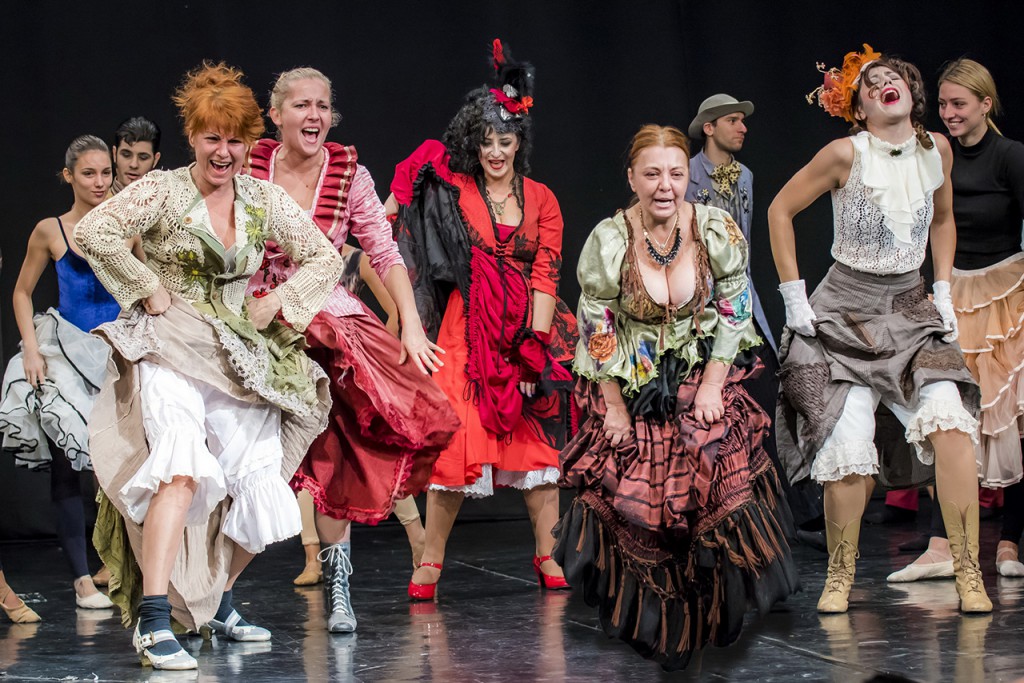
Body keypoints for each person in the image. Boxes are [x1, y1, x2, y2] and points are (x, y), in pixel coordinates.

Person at [75, 62, 343, 670]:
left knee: (258, 478)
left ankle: (217, 600)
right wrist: (145, 285)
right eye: (212, 138)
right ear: (193, 137)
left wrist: (279, 300)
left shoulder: (261, 198)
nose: (224, 152)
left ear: (250, 143)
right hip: (170, 345)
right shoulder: (165, 191)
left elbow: (324, 257)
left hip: (235, 352)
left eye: (235, 140)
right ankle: (152, 619)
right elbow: (96, 230)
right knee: (180, 466)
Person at [553, 124, 799, 671]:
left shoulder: (713, 227)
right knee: (645, 508)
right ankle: (664, 625)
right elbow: (597, 326)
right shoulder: (610, 239)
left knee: (713, 485)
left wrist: (712, 384)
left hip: (701, 371)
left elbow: (735, 308)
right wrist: (614, 406)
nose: (665, 185)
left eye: (676, 173)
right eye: (652, 174)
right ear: (632, 178)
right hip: (633, 380)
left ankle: (705, 622)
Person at [770, 44, 990, 614]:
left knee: (952, 426)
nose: (883, 84)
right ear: (859, 108)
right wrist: (794, 296)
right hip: (845, 313)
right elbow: (779, 211)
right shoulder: (844, 153)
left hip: (911, 310)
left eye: (892, 76)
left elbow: (944, 220)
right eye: (870, 84)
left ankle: (969, 571)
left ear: (911, 92)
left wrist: (943, 288)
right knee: (848, 444)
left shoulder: (937, 147)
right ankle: (839, 576)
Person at [247, 66, 458, 631]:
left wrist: (409, 324)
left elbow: (383, 252)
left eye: (322, 105)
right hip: (256, 313)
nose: (313, 115)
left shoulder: (349, 175)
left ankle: (339, 586)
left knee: (336, 454)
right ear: (276, 114)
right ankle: (210, 595)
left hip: (326, 320)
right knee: (238, 454)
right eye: (301, 105)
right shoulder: (249, 166)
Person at [387, 40, 577, 599]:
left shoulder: (542, 198)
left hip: (526, 329)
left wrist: (534, 348)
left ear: (521, 142)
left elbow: (547, 272)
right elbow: (411, 177)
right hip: (465, 329)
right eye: (486, 140)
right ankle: (430, 560)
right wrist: (434, 151)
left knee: (536, 446)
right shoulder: (457, 187)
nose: (496, 151)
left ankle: (547, 553)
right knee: (457, 442)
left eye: (505, 140)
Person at [890, 58, 1024, 582]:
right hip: (953, 292)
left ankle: (1010, 540)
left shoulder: (1010, 157)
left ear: (986, 104)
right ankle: (942, 545)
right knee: (950, 417)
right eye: (943, 103)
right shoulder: (933, 154)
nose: (948, 112)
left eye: (959, 104)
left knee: (1012, 420)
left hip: (1008, 295)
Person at [0, 135, 121, 611]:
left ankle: (125, 569)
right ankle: (82, 582)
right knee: (69, 466)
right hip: (66, 354)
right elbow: (21, 291)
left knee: (122, 468)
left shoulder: (125, 227)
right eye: (88, 173)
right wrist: (31, 350)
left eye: (105, 172)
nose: (99, 182)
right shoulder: (50, 231)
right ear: (69, 176)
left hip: (115, 354)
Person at [110, 116, 161, 194]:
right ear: (114, 154)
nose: (134, 165)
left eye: (143, 158)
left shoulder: (168, 200)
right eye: (126, 155)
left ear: (155, 160)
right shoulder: (98, 201)